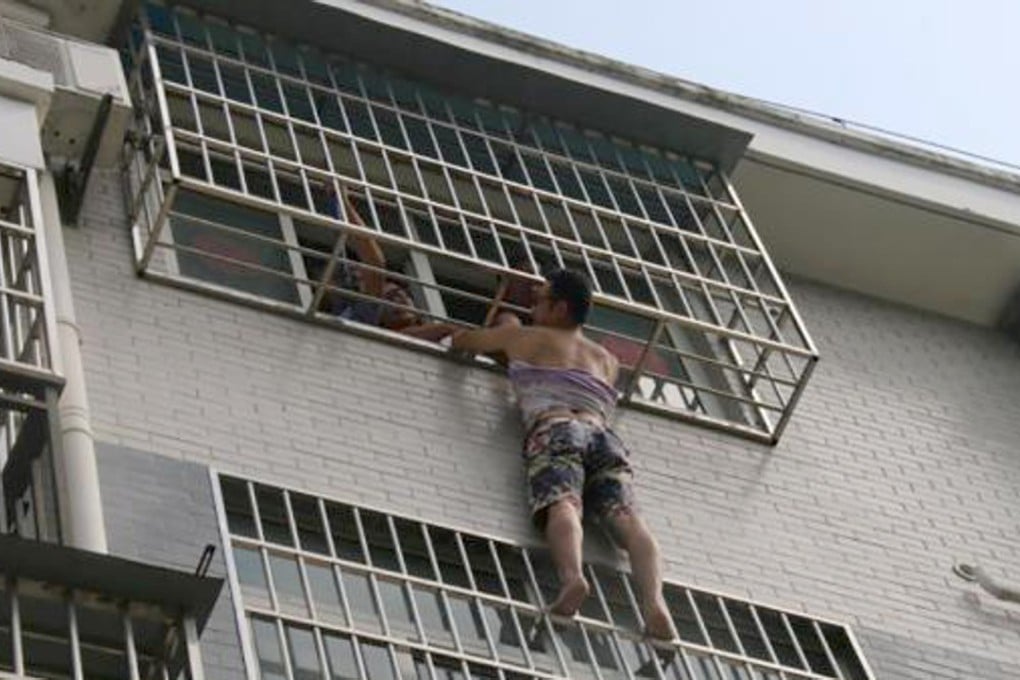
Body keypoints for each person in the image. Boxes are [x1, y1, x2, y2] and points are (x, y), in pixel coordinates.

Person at [450, 269, 677, 640]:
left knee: (564, 504)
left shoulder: (525, 336)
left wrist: (501, 333)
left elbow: (465, 340)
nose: (533, 307)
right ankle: (655, 603)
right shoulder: (607, 359)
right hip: (603, 435)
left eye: (540, 300)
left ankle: (572, 579)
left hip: (555, 427)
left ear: (560, 308)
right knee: (630, 521)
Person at [325, 188, 457, 342]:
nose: (400, 301)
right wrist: (342, 201)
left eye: (402, 294)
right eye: (390, 298)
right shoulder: (364, 319)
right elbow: (375, 263)